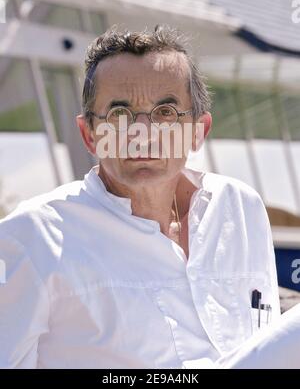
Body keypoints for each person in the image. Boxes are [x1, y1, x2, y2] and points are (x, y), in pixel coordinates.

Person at [0, 25, 280, 369]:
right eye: (120, 114)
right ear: (89, 135)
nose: (142, 134)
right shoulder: (30, 239)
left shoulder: (241, 209)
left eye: (165, 112)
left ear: (198, 131)